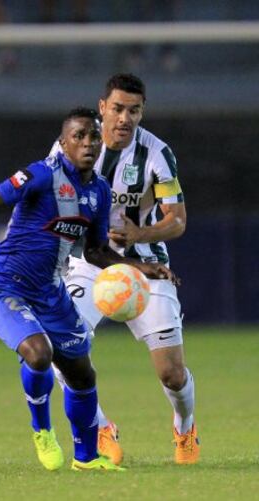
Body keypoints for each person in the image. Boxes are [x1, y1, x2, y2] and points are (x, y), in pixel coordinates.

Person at [0, 107, 174, 472]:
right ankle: (42, 430)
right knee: (39, 352)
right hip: (5, 285)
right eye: (79, 136)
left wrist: (140, 267)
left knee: (82, 374)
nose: (87, 143)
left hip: (51, 293)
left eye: (93, 136)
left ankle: (86, 458)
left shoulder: (99, 192)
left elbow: (96, 250)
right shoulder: (41, 175)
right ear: (64, 143)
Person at [50, 74, 200, 466]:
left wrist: (141, 231)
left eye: (134, 110)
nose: (124, 118)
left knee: (172, 373)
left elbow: (178, 220)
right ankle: (101, 427)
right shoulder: (72, 144)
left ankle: (185, 429)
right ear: (102, 108)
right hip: (87, 264)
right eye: (117, 108)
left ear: (141, 112)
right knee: (61, 353)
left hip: (144, 266)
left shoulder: (156, 154)